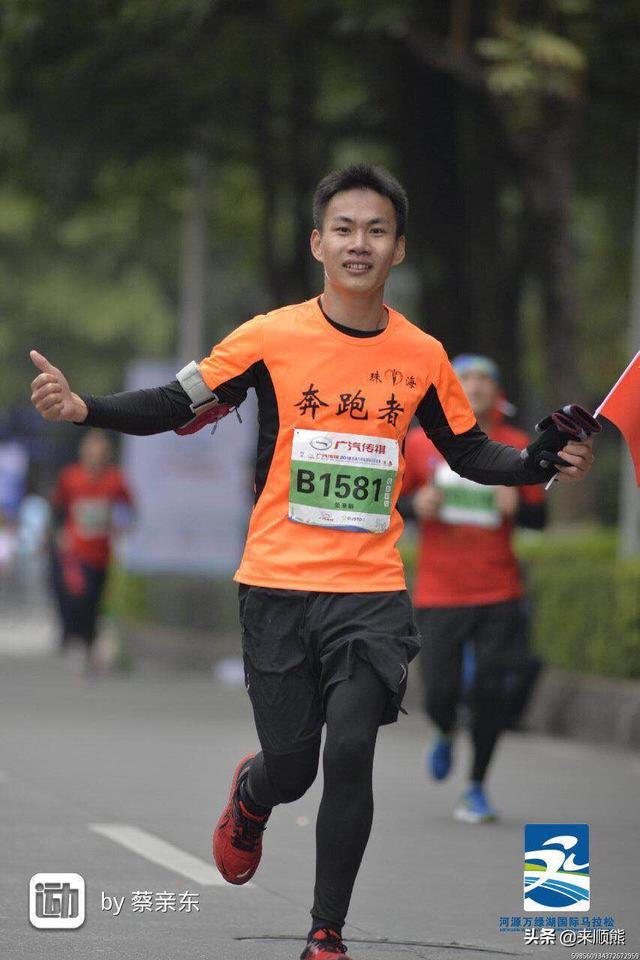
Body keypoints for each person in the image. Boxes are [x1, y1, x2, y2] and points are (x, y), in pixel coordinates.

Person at [29, 165, 595, 960]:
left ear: (398, 248)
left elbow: (468, 450)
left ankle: (326, 934)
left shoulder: (422, 354)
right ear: (318, 243)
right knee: (293, 767)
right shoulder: (268, 338)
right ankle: (253, 794)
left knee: (352, 751)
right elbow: (177, 402)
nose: (360, 243)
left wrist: (538, 462)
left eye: (376, 230)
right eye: (345, 229)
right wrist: (83, 406)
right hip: (276, 584)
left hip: (369, 590)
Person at [401, 354, 547, 824]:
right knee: (440, 693)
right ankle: (444, 730)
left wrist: (517, 507)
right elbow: (390, 501)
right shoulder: (420, 443)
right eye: (465, 377)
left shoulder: (518, 446)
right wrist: (416, 504)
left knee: (491, 693)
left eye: (485, 378)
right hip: (439, 592)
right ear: (451, 389)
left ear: (497, 392)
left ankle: (476, 786)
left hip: (498, 590)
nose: (476, 385)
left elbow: (540, 517)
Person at [49, 430, 133, 674]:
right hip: (75, 552)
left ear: (107, 455)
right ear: (83, 453)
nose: (95, 457)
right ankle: (73, 638)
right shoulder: (70, 477)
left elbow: (128, 508)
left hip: (101, 553)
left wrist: (121, 525)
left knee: (95, 601)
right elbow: (57, 507)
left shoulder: (115, 480)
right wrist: (59, 533)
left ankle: (88, 644)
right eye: (91, 452)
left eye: (100, 453)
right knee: (76, 596)